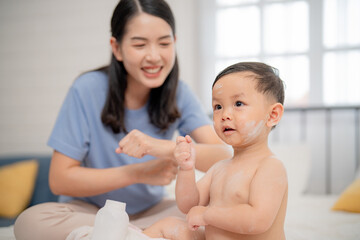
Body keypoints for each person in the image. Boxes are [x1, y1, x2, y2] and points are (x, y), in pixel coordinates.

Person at [13, 0, 231, 239]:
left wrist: (167, 148)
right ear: (116, 48)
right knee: (31, 221)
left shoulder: (179, 93)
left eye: (164, 43)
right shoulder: (86, 89)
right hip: (89, 212)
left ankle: (124, 234)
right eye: (139, 44)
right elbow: (59, 180)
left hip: (151, 211)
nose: (154, 56)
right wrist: (138, 173)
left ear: (175, 43)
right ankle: (143, 234)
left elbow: (224, 156)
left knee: (218, 213)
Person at [142, 62, 288, 240]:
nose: (224, 114)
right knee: (169, 224)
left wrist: (206, 215)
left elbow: (257, 220)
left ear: (272, 115)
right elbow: (189, 206)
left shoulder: (270, 167)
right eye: (218, 107)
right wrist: (187, 169)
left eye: (238, 103)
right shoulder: (220, 168)